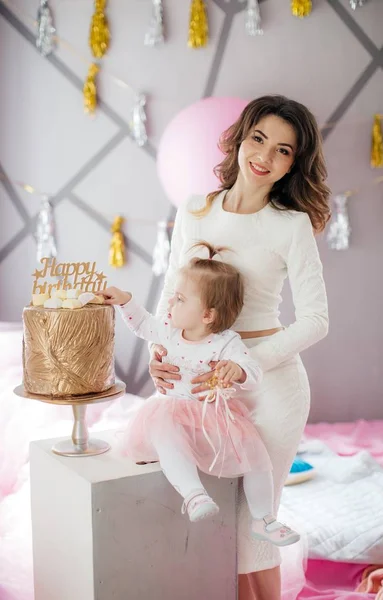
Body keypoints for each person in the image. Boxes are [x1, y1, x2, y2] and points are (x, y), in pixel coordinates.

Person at [148, 95, 330, 600]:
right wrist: (159, 354)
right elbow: (173, 292)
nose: (265, 157)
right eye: (259, 139)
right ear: (241, 138)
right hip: (203, 383)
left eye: (284, 150)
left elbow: (317, 320)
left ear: (295, 163)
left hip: (272, 387)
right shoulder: (196, 209)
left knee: (254, 528)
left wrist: (245, 363)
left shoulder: (289, 226)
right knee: (214, 523)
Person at [99, 241, 300, 546]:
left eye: (180, 299)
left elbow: (252, 370)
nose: (170, 305)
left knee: (256, 454)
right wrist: (125, 300)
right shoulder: (167, 330)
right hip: (173, 410)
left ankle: (264, 518)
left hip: (213, 417)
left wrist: (238, 370)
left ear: (207, 315)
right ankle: (193, 494)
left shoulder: (226, 342)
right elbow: (141, 324)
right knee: (167, 436)